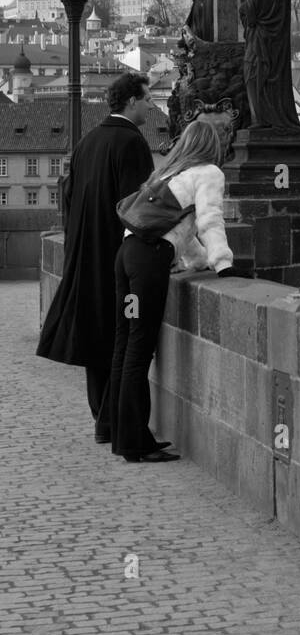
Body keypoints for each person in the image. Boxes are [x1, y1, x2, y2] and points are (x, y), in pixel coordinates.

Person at [37, 74, 155, 443]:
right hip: (118, 259)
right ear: (132, 102)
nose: (152, 106)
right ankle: (116, 423)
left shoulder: (88, 141)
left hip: (85, 254)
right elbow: (138, 210)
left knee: (95, 337)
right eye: (148, 99)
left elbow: (69, 200)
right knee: (124, 340)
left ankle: (101, 420)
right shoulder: (132, 143)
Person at [110, 119, 234, 463]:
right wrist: (223, 263)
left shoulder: (168, 174)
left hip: (126, 256)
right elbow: (209, 220)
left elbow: (181, 228)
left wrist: (198, 262)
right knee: (139, 349)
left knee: (125, 345)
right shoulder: (208, 172)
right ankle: (136, 444)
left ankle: (122, 435)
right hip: (148, 261)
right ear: (213, 145)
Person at [243, 0, 300, 133]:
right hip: (262, 34)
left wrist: (245, 0)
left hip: (267, 36)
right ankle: (261, 117)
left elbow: (261, 5)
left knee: (256, 74)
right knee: (253, 74)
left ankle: (265, 118)